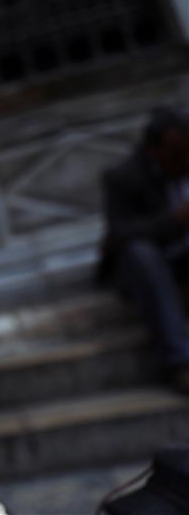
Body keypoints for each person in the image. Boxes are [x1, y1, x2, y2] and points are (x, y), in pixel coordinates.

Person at [100, 106, 189, 394]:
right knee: (140, 255)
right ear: (155, 151)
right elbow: (119, 235)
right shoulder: (124, 177)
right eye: (177, 154)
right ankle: (180, 361)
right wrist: (175, 221)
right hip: (156, 259)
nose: (185, 160)